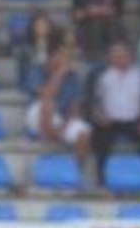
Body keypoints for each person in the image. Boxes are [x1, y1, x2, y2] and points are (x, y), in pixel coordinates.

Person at [88, 40, 140, 183]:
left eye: (123, 55)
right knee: (99, 139)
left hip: (135, 120)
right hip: (108, 120)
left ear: (131, 56)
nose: (120, 58)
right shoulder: (100, 76)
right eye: (116, 56)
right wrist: (98, 114)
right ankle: (101, 178)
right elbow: (92, 99)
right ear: (109, 57)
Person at [27, 38, 93, 171]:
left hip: (62, 117)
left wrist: (65, 126)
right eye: (61, 55)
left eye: (66, 56)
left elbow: (74, 106)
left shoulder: (73, 76)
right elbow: (47, 93)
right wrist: (60, 73)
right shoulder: (36, 71)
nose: (65, 59)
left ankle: (75, 171)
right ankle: (50, 136)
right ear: (51, 56)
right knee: (48, 103)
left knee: (84, 134)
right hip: (37, 114)